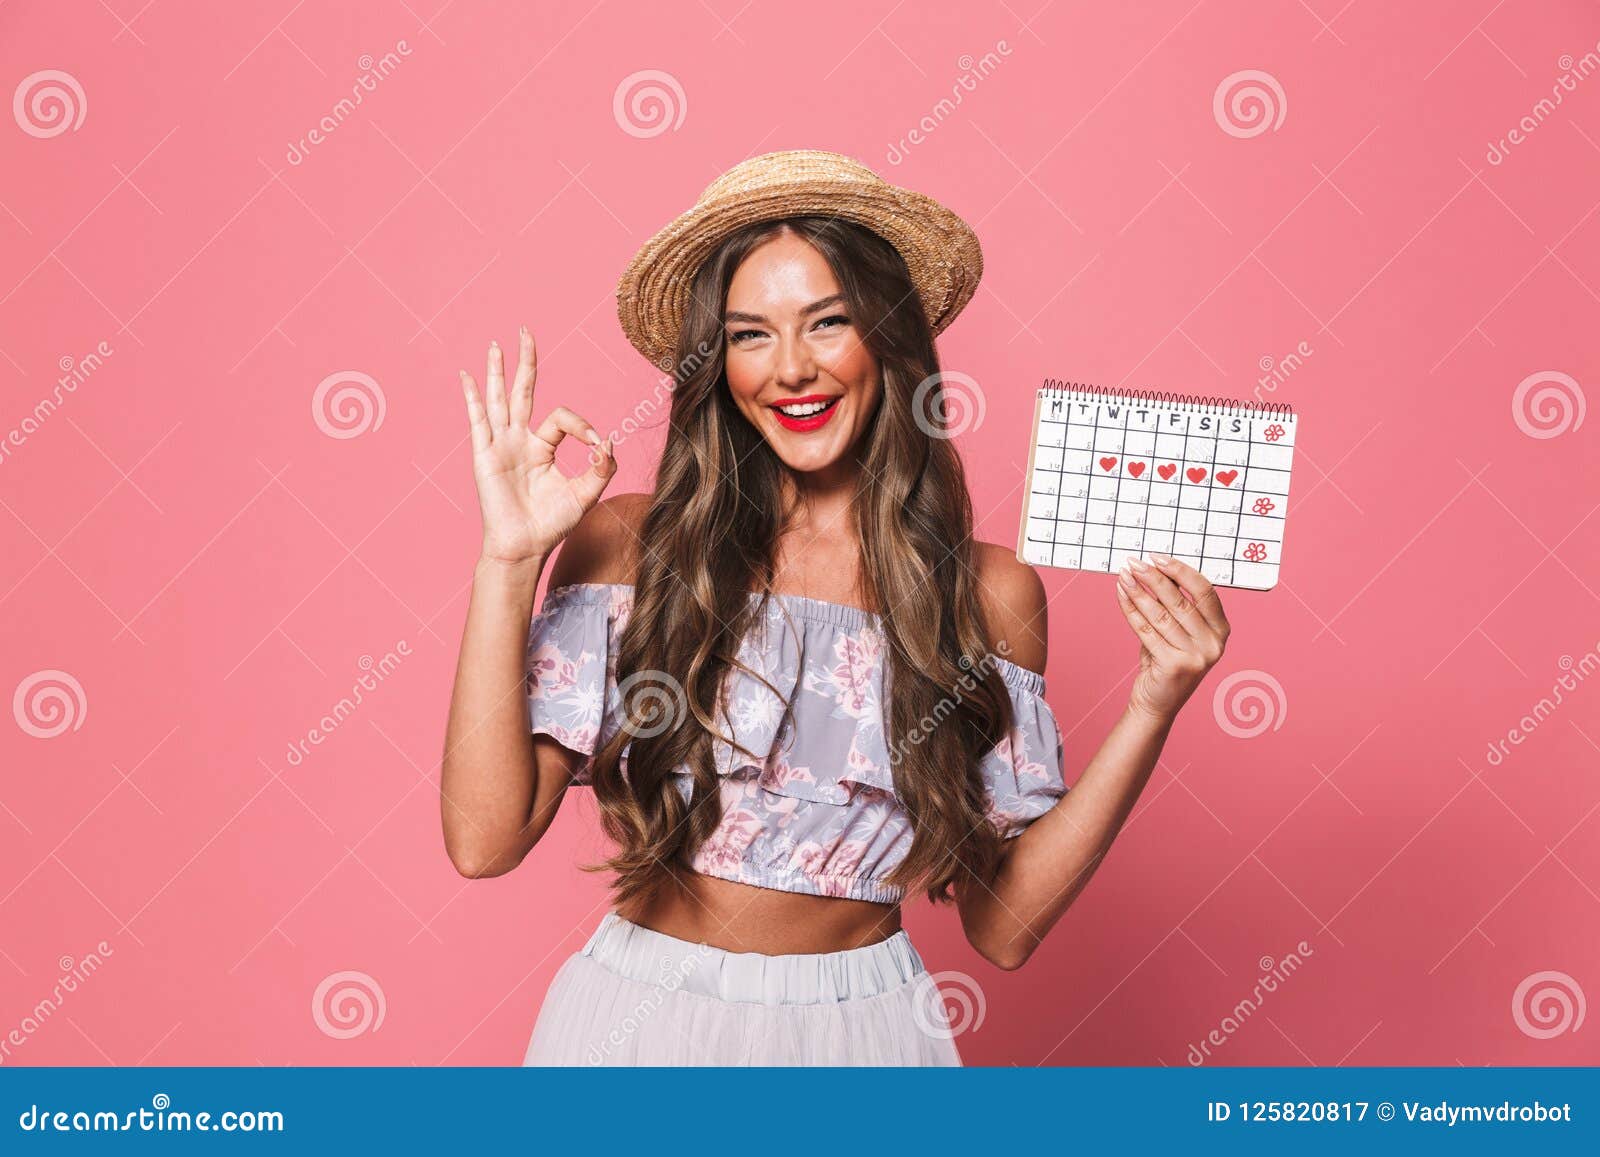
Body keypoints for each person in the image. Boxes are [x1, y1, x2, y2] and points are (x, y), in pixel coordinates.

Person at [440, 150, 1230, 1066]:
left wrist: (1152, 706)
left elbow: (1003, 928)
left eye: (828, 322)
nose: (792, 369)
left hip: (868, 1036)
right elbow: (482, 839)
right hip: (638, 1028)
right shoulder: (629, 544)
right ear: (717, 363)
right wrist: (508, 562)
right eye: (750, 335)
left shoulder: (987, 593)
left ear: (886, 336)